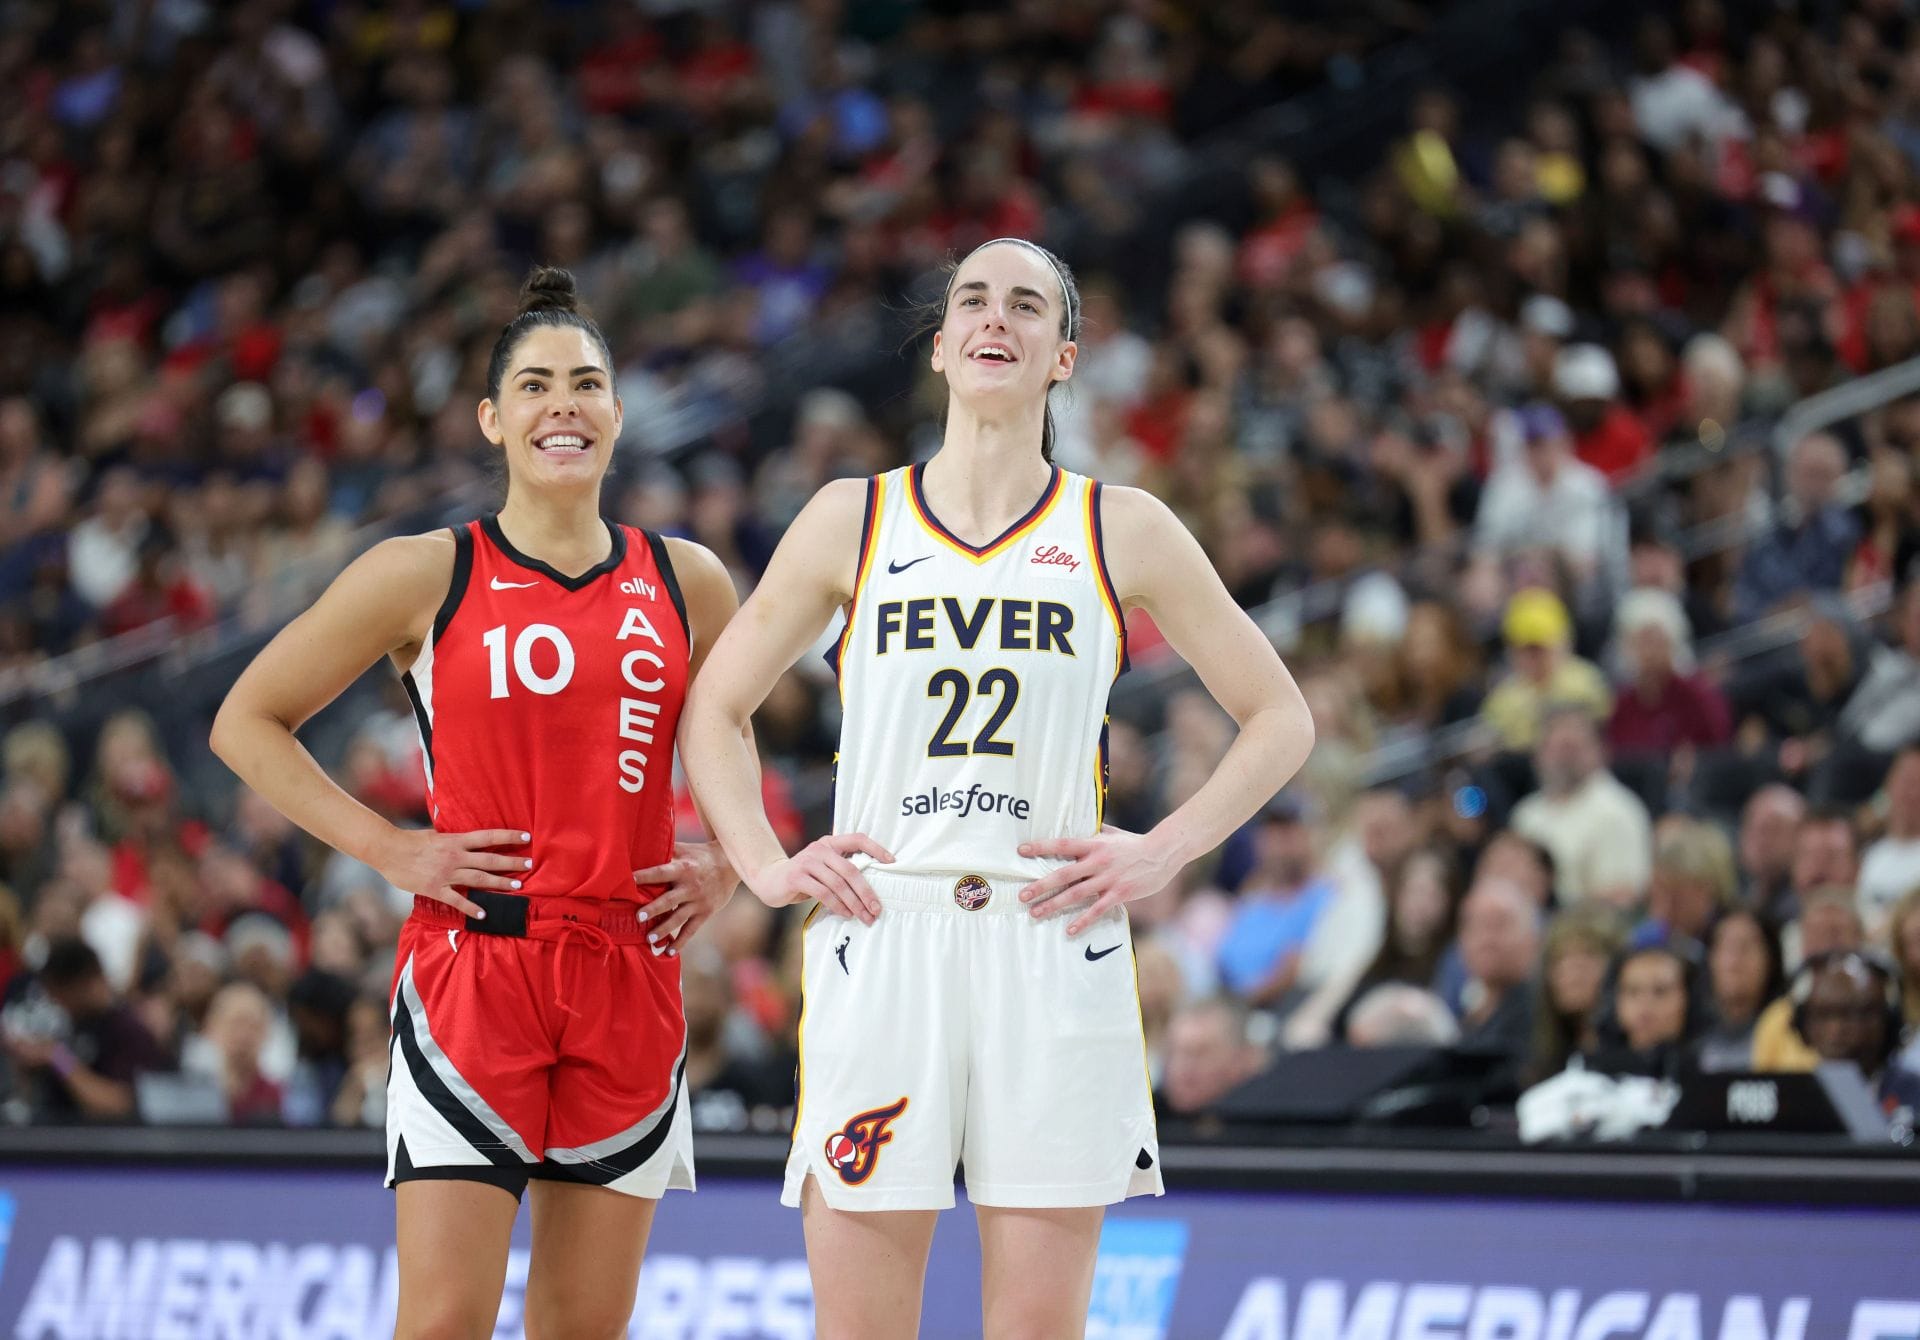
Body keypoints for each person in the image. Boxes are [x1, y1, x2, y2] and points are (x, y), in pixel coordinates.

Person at [680, 237, 1314, 1338]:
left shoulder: (1123, 525)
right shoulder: (853, 515)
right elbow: (713, 708)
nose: (996, 319)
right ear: (939, 347)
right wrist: (768, 868)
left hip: (1051, 934)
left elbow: (1283, 718)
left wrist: (1163, 847)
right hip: (886, 925)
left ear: (1063, 357)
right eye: (974, 299)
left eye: (1027, 306)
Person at [210, 267, 743, 1340]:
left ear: (618, 413)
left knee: (583, 1326)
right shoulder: (425, 570)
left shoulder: (689, 579)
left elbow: (733, 748)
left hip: (629, 969)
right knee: (445, 1319)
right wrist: (392, 848)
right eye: (537, 385)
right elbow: (246, 719)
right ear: (493, 418)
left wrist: (729, 860)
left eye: (587, 383)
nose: (565, 405)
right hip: (475, 971)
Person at [1694, 908, 1786, 1072]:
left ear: (1771, 960)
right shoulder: (1691, 1033)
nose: (1734, 959)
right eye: (1725, 946)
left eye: (1746, 947)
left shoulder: (1789, 1031)